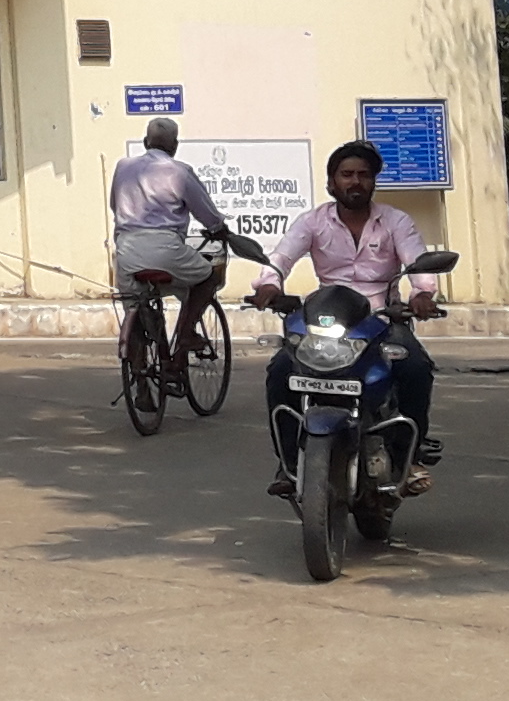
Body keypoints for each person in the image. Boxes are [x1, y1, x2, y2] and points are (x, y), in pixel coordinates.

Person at [251, 140, 442, 490]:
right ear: (331, 182)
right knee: (281, 370)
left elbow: (417, 264)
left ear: (373, 182)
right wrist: (269, 284)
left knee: (414, 367)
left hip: (382, 320)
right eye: (347, 175)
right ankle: (289, 464)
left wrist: (423, 293)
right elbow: (280, 258)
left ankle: (408, 457)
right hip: (326, 319)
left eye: (364, 175)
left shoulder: (395, 221)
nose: (355, 182)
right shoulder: (312, 222)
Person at [105, 117, 235, 374]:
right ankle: (186, 334)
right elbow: (207, 214)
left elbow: (114, 205)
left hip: (127, 251)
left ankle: (141, 382)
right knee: (207, 278)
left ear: (145, 142)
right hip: (167, 250)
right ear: (175, 146)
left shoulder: (123, 167)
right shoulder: (179, 171)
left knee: (136, 309)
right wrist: (219, 229)